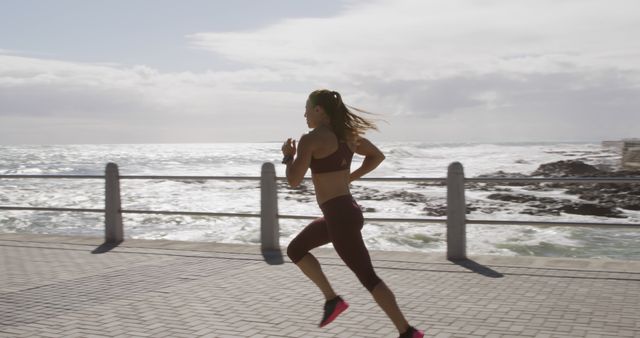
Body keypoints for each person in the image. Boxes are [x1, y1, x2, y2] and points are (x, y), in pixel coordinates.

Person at [281, 89, 424, 338]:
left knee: (368, 278)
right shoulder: (347, 136)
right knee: (295, 249)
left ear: (318, 110)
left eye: (307, 108)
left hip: (340, 217)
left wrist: (287, 158)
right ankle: (332, 300)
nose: (304, 114)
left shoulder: (311, 139)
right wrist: (350, 176)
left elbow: (294, 180)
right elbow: (376, 156)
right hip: (345, 212)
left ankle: (407, 331)